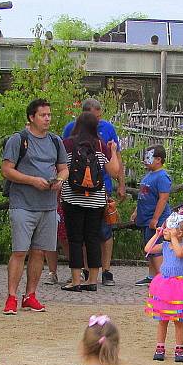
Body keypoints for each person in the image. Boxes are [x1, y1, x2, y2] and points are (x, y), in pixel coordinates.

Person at [1, 98, 68, 314]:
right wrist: (31, 180)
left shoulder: (56, 141)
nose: (47, 118)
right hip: (23, 203)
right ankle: (11, 296)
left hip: (48, 205)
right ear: (31, 117)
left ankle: (30, 295)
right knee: (19, 251)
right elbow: (7, 170)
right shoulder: (18, 140)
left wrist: (60, 179)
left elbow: (64, 168)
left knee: (39, 252)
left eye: (49, 114)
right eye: (43, 115)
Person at [63, 98, 126, 286]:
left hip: (72, 197)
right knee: (93, 237)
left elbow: (60, 168)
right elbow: (113, 171)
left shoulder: (67, 144)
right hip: (96, 198)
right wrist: (113, 151)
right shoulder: (100, 145)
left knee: (75, 239)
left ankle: (76, 280)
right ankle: (92, 280)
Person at [144, 214, 183, 362]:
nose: (165, 230)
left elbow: (179, 253)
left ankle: (179, 348)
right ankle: (160, 346)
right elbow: (148, 249)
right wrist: (157, 235)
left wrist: (175, 238)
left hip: (180, 288)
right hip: (164, 287)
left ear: (179, 232)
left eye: (169, 228)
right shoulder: (164, 245)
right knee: (162, 319)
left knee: (178, 320)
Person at [131, 145, 171, 286]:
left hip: (156, 219)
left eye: (149, 157)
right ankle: (152, 275)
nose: (145, 160)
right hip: (145, 218)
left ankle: (162, 277)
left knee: (156, 248)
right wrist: (137, 211)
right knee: (149, 247)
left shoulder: (162, 177)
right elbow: (143, 195)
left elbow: (163, 198)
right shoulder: (148, 175)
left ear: (158, 159)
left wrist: (155, 218)